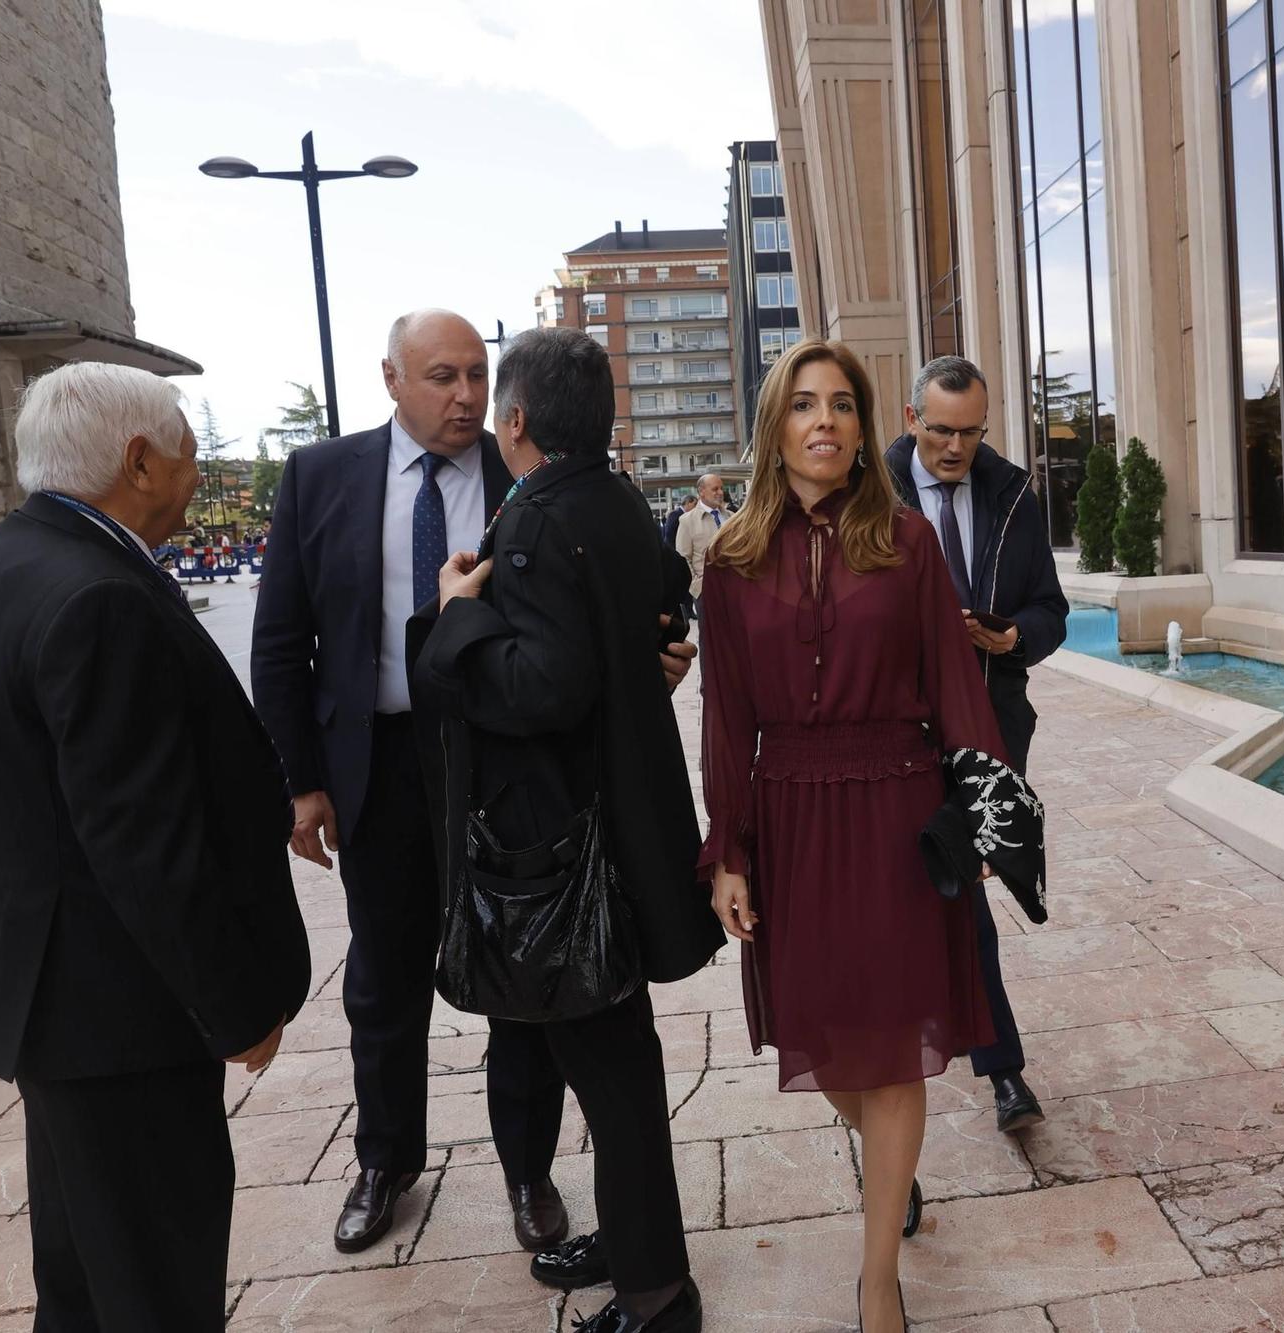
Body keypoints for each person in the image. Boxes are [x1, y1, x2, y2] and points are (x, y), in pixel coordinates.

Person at [0, 363, 310, 1330]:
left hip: (52, 1002)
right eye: (185, 448)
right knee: (155, 1283)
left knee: (88, 1274)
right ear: (139, 461)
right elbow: (144, 844)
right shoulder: (99, 594)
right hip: (120, 1012)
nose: (192, 468)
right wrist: (232, 1008)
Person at [699, 339, 1020, 1333]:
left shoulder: (908, 541)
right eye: (804, 404)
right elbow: (723, 721)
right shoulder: (730, 559)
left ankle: (875, 1279)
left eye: (842, 403)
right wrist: (727, 853)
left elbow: (959, 690)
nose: (825, 420)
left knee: (894, 1053)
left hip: (894, 810)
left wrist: (977, 816)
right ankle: (896, 1178)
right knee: (829, 1048)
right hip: (791, 819)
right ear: (775, 426)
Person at [251, 310, 580, 1256]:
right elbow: (282, 645)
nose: (468, 396)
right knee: (384, 978)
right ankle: (387, 1160)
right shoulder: (321, 478)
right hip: (382, 768)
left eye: (479, 375)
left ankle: (529, 1169)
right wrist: (301, 783)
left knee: (520, 973)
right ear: (390, 378)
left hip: (499, 764)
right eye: (443, 376)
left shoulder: (526, 475)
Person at [410, 327, 719, 1333]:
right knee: (614, 1064)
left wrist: (456, 614)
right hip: (611, 830)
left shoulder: (542, 516)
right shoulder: (617, 500)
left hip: (564, 850)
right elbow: (658, 620)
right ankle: (638, 1248)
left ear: (516, 420)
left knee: (614, 1075)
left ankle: (655, 1297)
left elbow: (544, 685)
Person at [885, 355, 1067, 1134]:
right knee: (937, 898)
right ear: (910, 417)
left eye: (971, 432)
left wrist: (1008, 634)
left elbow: (1050, 609)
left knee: (963, 888)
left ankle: (985, 1068)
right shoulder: (870, 490)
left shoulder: (1015, 491)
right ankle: (988, 1073)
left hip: (988, 725)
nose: (956, 448)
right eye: (941, 430)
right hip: (897, 731)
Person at [674, 472, 730, 615]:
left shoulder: (732, 517)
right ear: (702, 492)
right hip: (706, 593)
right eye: (715, 489)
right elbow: (682, 558)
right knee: (709, 636)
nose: (720, 492)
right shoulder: (687, 521)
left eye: (721, 488)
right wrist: (697, 586)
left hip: (734, 589)